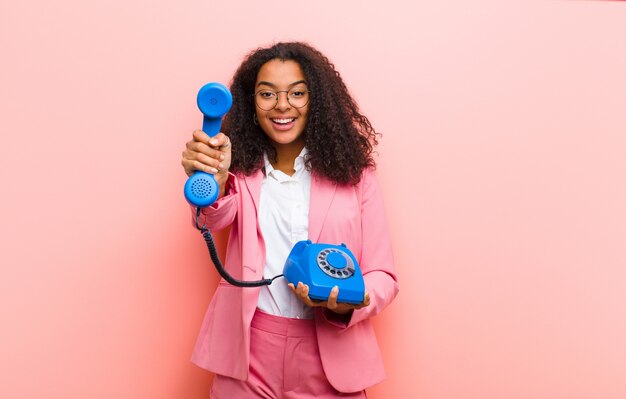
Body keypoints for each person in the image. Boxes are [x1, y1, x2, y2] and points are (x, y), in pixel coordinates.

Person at [181, 42, 399, 399]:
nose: (282, 105)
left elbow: (383, 275)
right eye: (267, 94)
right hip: (249, 352)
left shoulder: (356, 176)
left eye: (297, 93)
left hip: (332, 353)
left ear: (317, 100)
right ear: (251, 103)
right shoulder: (239, 170)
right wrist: (211, 184)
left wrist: (351, 300)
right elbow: (212, 220)